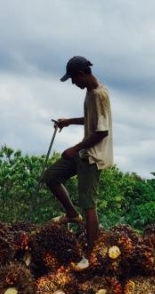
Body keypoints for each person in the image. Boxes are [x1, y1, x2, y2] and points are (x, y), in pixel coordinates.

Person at [41, 55, 113, 252]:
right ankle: (71, 214)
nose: (73, 83)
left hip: (93, 157)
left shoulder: (100, 94)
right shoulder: (90, 92)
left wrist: (75, 148)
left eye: (73, 79)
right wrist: (69, 121)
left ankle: (91, 254)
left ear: (82, 74)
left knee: (88, 205)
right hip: (83, 153)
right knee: (51, 177)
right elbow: (92, 119)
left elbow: (101, 132)